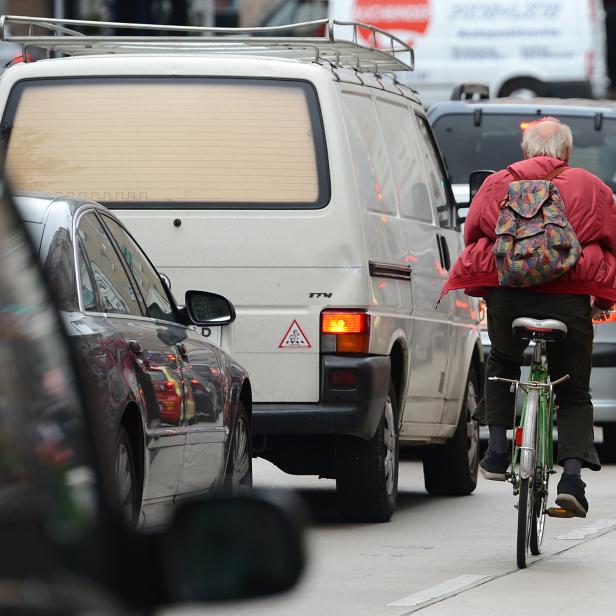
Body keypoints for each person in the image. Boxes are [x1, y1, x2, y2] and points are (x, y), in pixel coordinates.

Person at [439, 117, 616, 517]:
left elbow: (475, 236)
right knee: (573, 392)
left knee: (502, 360)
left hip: (510, 295)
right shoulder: (593, 187)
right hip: (569, 300)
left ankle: (498, 451)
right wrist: (600, 300)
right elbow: (611, 240)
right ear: (567, 153)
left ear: (525, 152)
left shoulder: (497, 183)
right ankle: (571, 480)